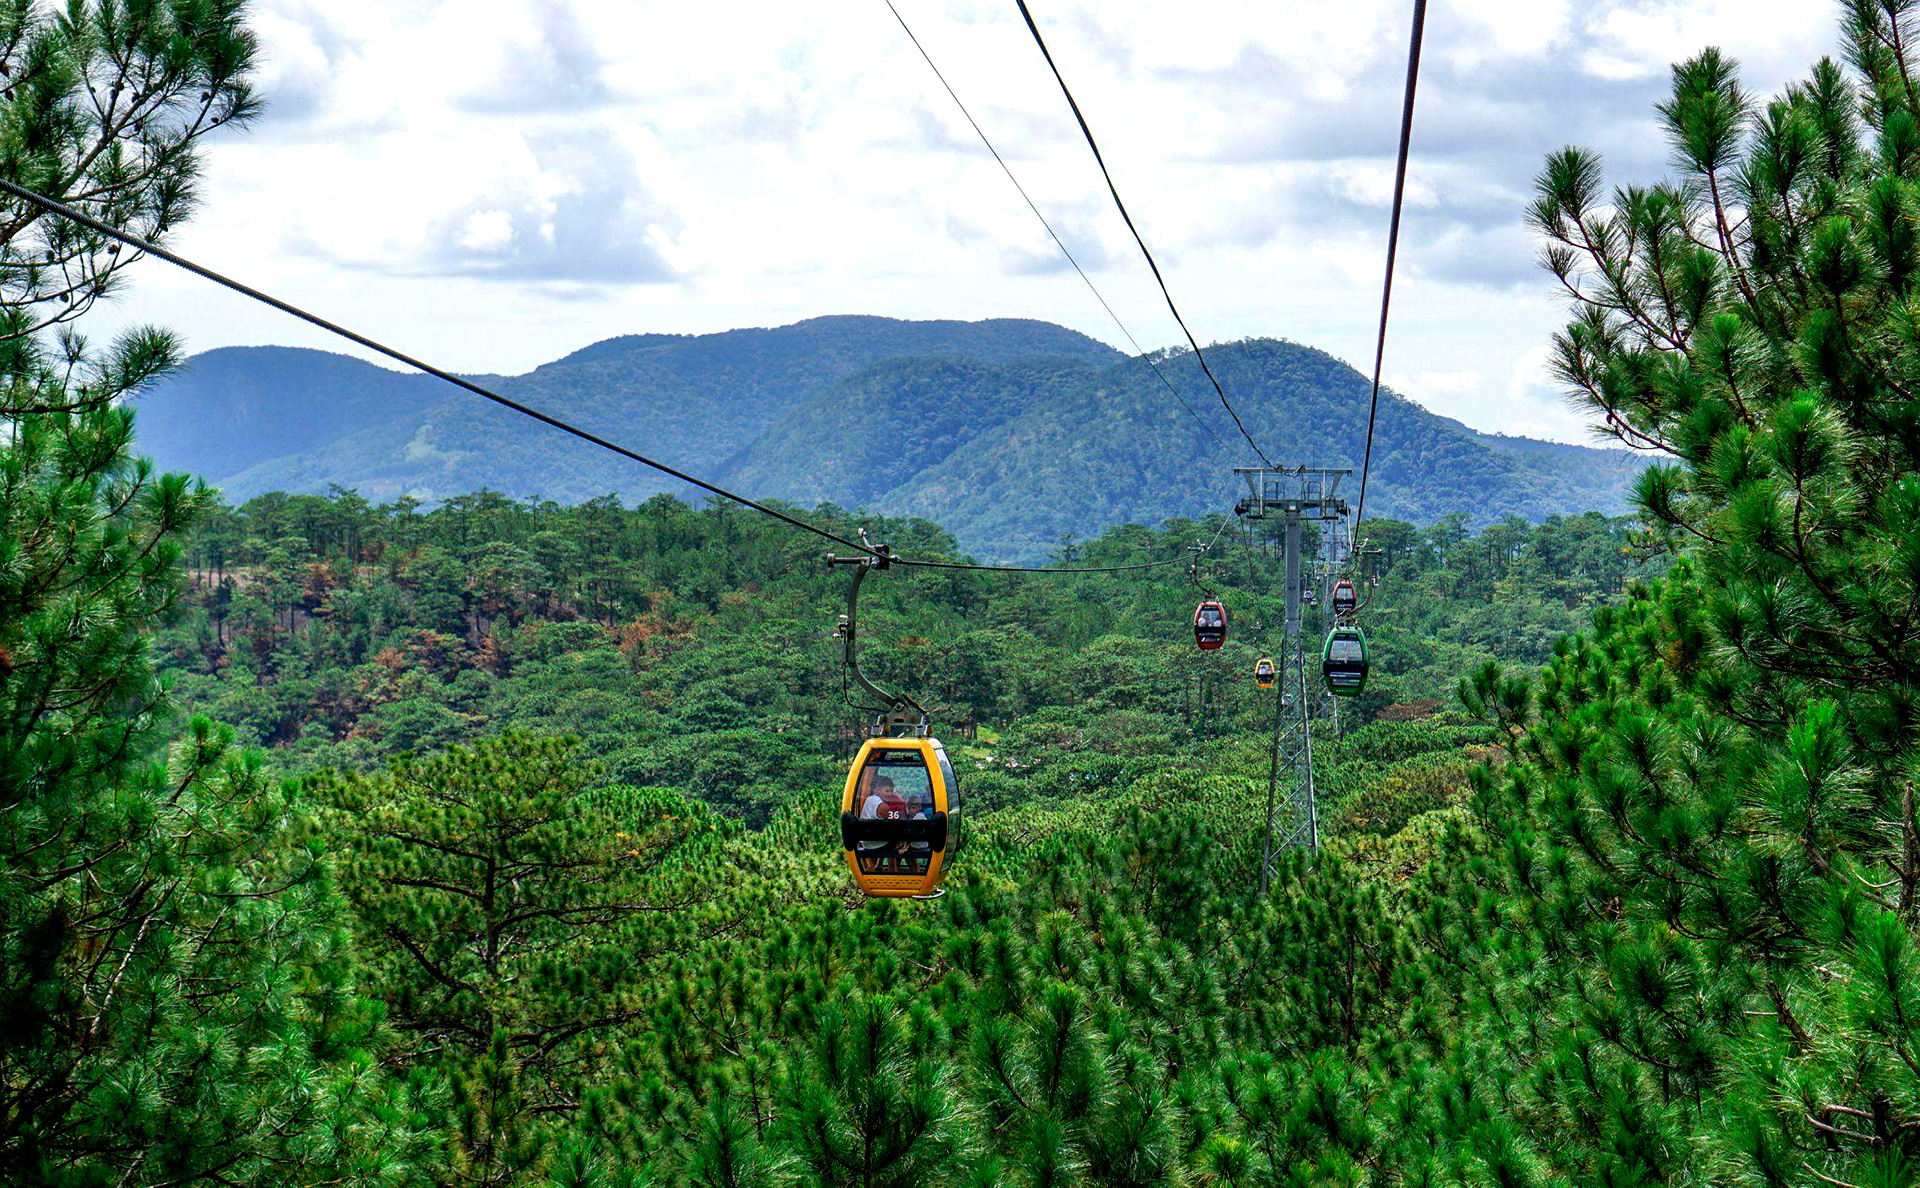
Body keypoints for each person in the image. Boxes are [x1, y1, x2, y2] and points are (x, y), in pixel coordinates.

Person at [858, 773, 906, 873]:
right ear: (878, 790)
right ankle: (894, 870)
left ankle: (877, 866)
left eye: (891, 791)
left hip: (866, 840)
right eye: (887, 791)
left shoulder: (869, 800)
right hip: (877, 843)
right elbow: (894, 824)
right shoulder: (883, 806)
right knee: (897, 840)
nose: (889, 794)